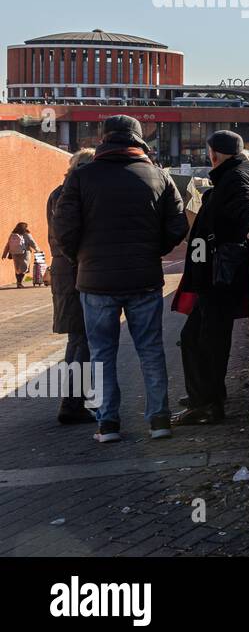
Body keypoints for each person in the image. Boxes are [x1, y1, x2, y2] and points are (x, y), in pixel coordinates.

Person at [52, 116, 189, 443]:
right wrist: (152, 251)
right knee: (151, 350)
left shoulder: (82, 178)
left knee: (101, 354)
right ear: (138, 140)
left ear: (104, 139)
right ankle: (159, 420)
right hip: (144, 279)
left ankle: (108, 424)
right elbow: (177, 226)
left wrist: (81, 259)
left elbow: (64, 230)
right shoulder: (158, 177)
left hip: (95, 282)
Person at [172, 131, 249, 425]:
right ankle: (204, 396)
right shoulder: (240, 173)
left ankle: (207, 404)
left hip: (219, 276)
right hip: (217, 273)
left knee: (205, 340)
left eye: (209, 153)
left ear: (214, 154)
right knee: (198, 338)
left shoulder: (237, 176)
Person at [47, 149, 98, 424]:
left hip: (64, 273)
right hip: (77, 271)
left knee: (77, 339)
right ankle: (72, 403)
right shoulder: (72, 193)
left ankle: (73, 400)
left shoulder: (58, 192)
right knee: (84, 340)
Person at [3, 223, 38, 288]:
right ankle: (19, 283)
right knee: (24, 268)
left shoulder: (12, 234)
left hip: (15, 254)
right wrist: (38, 250)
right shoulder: (27, 234)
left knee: (17, 269)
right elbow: (32, 243)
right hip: (25, 253)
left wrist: (4, 254)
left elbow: (8, 245)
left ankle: (19, 283)